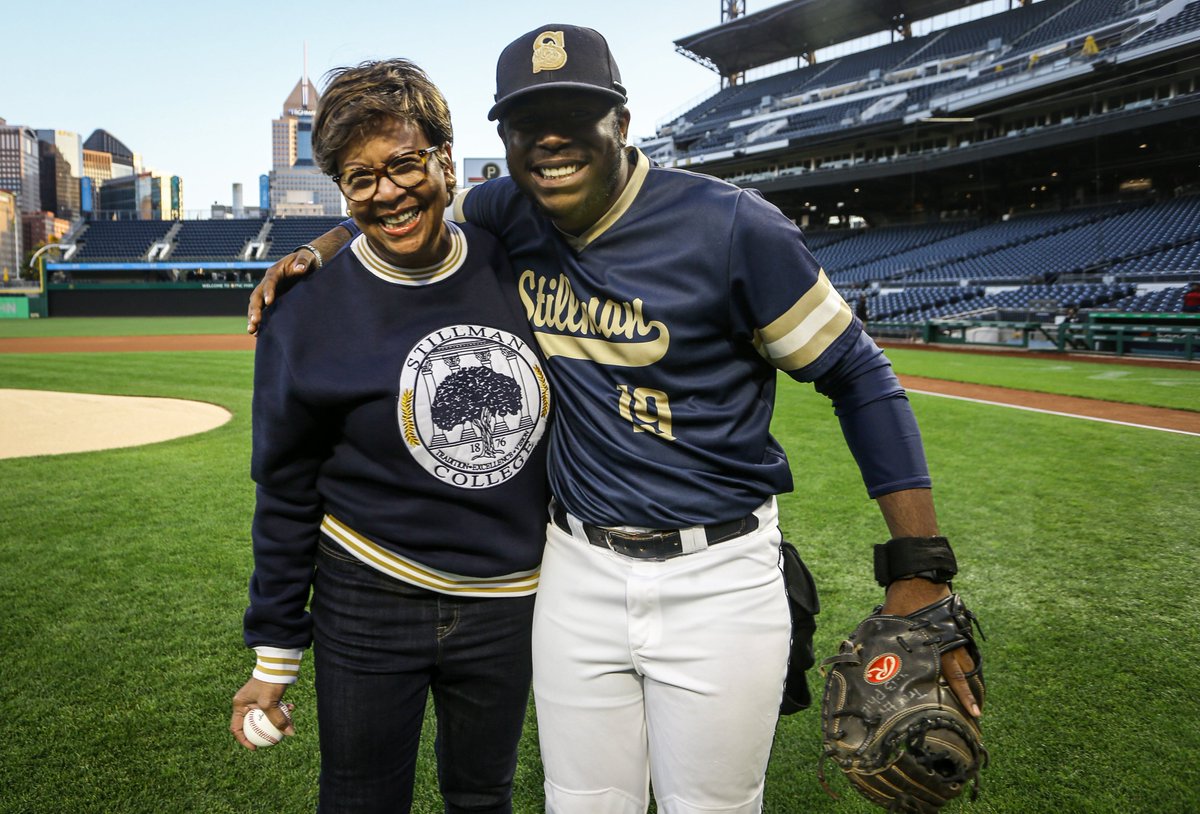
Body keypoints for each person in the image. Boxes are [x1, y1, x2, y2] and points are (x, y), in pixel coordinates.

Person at [249, 25, 982, 814]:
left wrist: (919, 565)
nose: (551, 140)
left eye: (575, 116)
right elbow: (402, 193)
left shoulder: (733, 227)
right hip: (575, 572)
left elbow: (859, 375)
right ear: (506, 143)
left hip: (716, 572)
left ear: (623, 123)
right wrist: (324, 246)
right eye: (529, 123)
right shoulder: (513, 208)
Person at [229, 59, 551, 814]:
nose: (386, 193)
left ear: (446, 159)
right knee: (360, 799)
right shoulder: (303, 312)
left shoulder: (519, 261)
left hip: (510, 601)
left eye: (404, 164)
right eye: (359, 179)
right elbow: (285, 488)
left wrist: (330, 238)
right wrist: (274, 656)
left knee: (484, 796)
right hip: (368, 596)